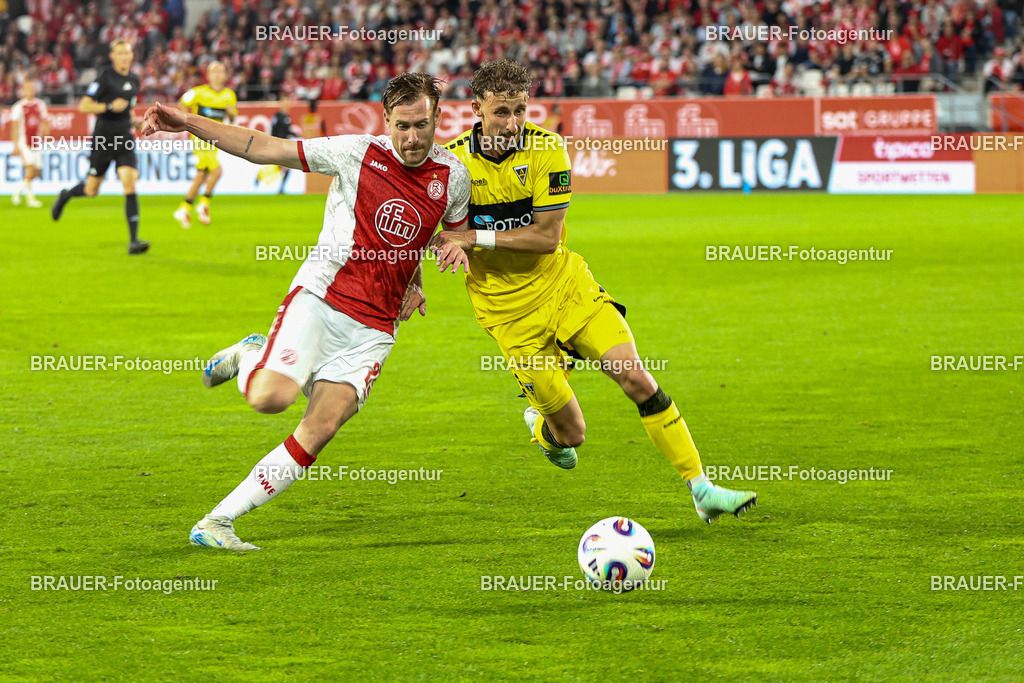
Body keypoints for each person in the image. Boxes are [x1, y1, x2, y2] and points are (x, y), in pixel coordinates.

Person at [140, 73, 471, 550]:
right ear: (386, 121)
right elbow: (262, 147)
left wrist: (425, 273)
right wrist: (190, 123)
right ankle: (253, 352)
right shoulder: (356, 152)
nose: (413, 137)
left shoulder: (453, 176)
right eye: (403, 126)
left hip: (376, 327)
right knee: (269, 399)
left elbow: (442, 233)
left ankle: (217, 522)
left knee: (321, 427)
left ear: (439, 118)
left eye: (422, 125)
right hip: (322, 298)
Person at [432, 60, 756, 524]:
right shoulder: (451, 163)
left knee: (635, 376)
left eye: (520, 110)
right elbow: (426, 230)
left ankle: (700, 486)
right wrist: (423, 273)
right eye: (501, 111)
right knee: (572, 436)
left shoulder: (548, 150)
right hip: (506, 312)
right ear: (476, 109)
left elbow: (546, 238)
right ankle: (543, 429)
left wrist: (474, 239)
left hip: (565, 286)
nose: (512, 123)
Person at [51, 39, 149, 256]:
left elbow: (128, 108)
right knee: (91, 190)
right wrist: (107, 106)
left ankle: (134, 241)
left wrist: (136, 122)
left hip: (124, 139)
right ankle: (66, 195)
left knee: (129, 183)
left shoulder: (134, 79)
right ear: (113, 56)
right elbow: (84, 106)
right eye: (120, 53)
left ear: (132, 55)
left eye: (127, 52)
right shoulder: (105, 77)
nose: (124, 56)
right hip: (103, 139)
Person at [173, 61, 238, 229]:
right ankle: (204, 203)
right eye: (214, 71)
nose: (218, 74)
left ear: (225, 75)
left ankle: (184, 208)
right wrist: (188, 121)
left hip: (215, 138)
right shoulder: (198, 92)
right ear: (208, 75)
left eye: (221, 71)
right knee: (217, 171)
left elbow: (232, 118)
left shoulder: (229, 95)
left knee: (201, 174)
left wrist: (230, 115)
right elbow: (182, 103)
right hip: (200, 137)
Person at [10, 80, 49, 209]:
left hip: (36, 142)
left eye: (32, 88)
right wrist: (15, 145)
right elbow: (15, 127)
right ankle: (30, 198)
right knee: (30, 168)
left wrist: (46, 134)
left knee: (37, 171)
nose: (30, 90)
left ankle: (17, 191)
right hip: (24, 143)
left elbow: (45, 121)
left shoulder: (40, 104)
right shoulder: (18, 107)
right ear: (23, 91)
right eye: (28, 88)